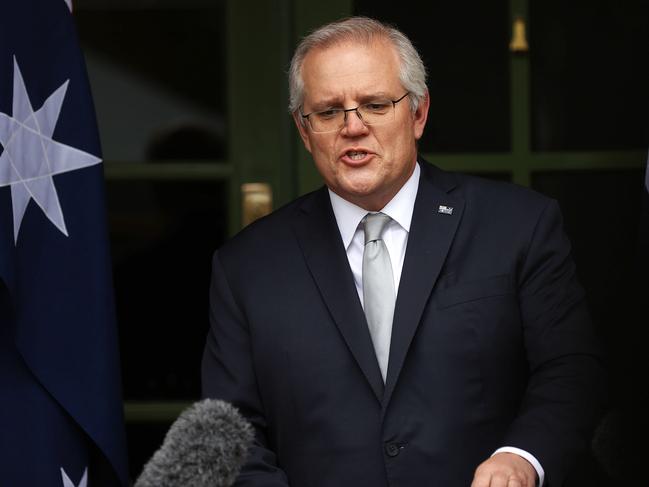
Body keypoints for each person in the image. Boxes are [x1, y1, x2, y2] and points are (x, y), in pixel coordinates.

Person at [202, 17, 605, 487]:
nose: (353, 127)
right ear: (303, 129)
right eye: (329, 112)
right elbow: (230, 434)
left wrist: (522, 457)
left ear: (417, 113)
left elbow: (571, 369)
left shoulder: (517, 226)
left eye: (375, 104)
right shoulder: (247, 267)